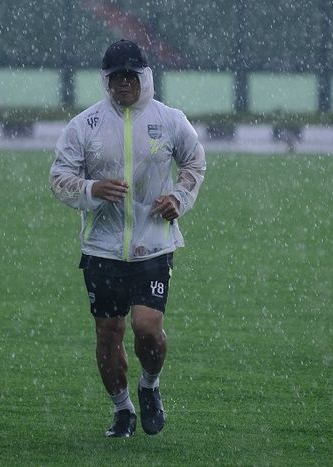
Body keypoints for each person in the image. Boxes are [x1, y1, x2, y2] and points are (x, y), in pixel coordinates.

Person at [49, 39, 206, 438]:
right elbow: (59, 178)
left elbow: (194, 163)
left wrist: (179, 198)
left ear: (145, 77)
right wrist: (91, 190)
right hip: (102, 249)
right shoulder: (84, 126)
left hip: (154, 244)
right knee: (108, 334)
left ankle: (150, 386)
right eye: (114, 77)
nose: (123, 84)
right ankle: (122, 411)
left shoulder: (169, 120)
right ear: (105, 80)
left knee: (148, 328)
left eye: (130, 76)